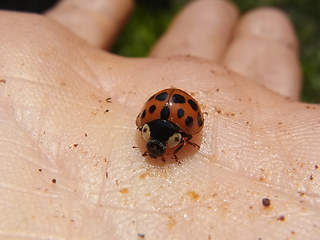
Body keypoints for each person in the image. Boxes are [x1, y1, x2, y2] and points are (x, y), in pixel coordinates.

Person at [0, 0, 318, 239]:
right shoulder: (159, 130)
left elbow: (162, 129)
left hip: (169, 106)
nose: (154, 149)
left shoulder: (163, 131)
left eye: (156, 145)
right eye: (156, 146)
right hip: (169, 106)